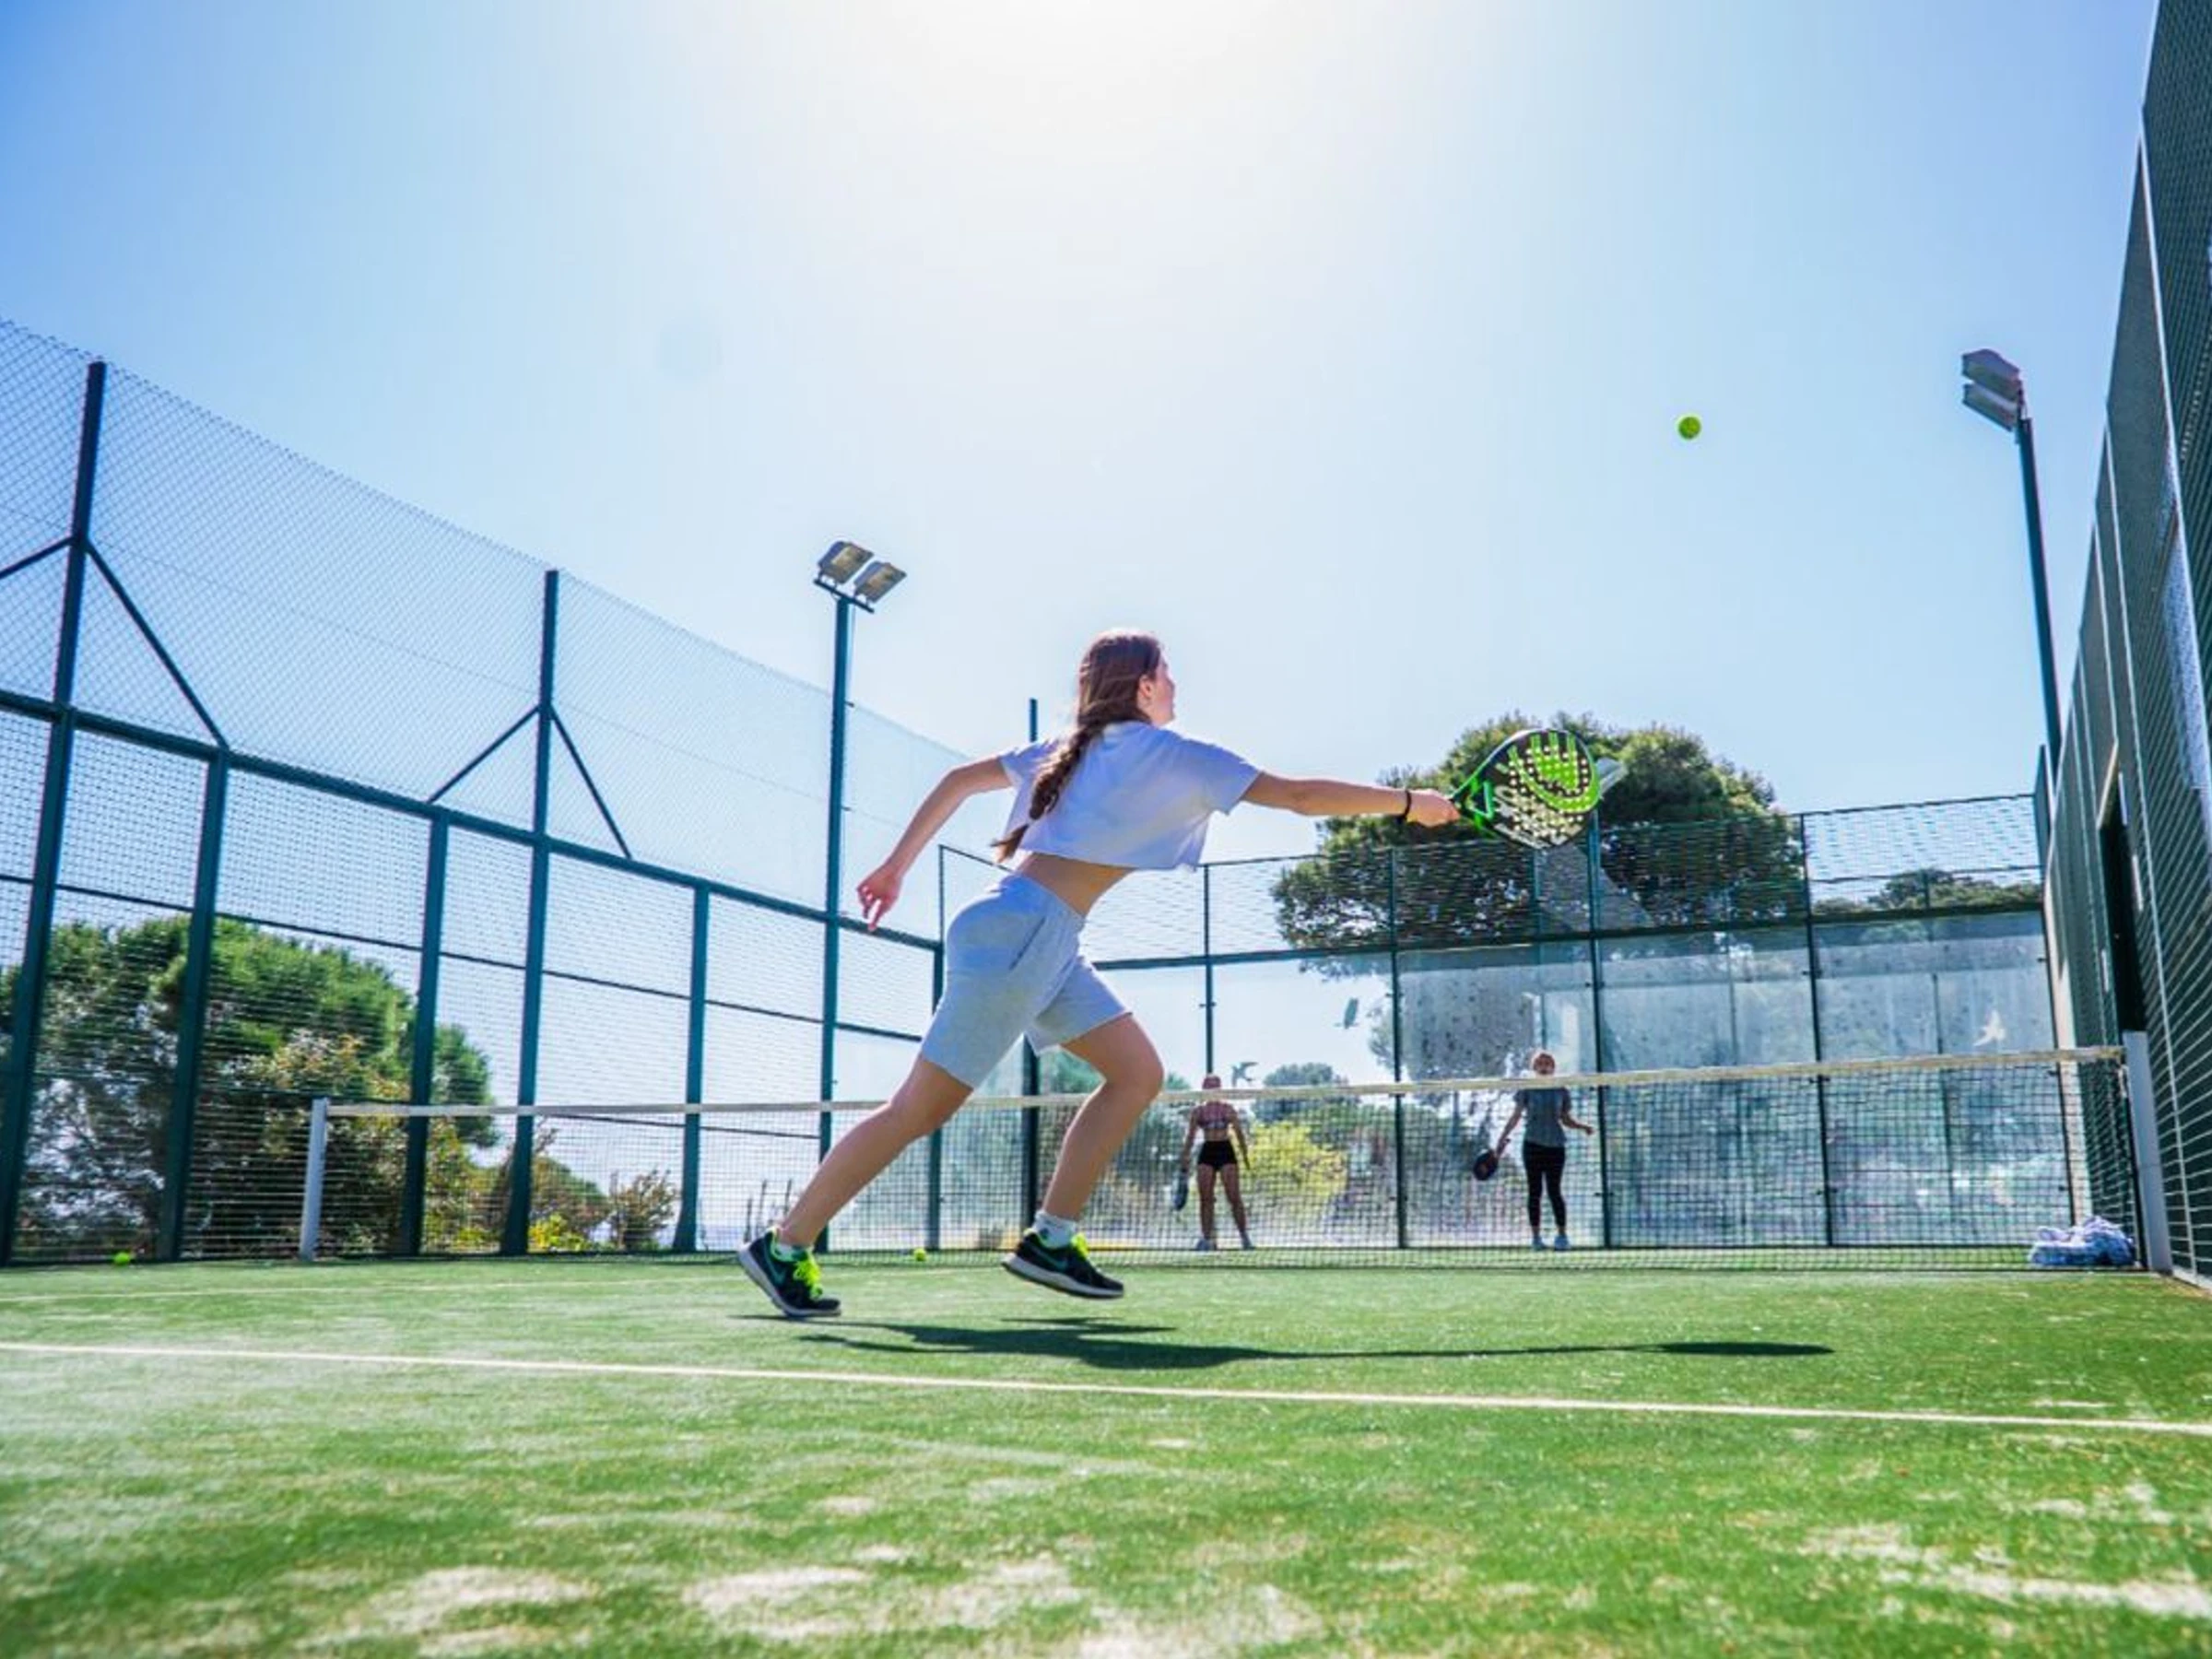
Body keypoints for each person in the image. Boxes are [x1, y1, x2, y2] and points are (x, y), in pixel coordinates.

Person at [739, 629, 1461, 1317]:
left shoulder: (1070, 747)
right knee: (917, 1112)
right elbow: (1299, 797)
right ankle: (785, 1245)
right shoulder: (1170, 752)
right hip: (1025, 932)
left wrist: (896, 868)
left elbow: (957, 780)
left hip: (1035, 932)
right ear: (1144, 686)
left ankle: (1051, 1239)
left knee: (1137, 1073)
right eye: (1167, 673)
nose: (1176, 684)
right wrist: (1409, 803)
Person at [1495, 1049, 1594, 1252]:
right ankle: (1536, 1238)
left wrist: (1582, 1126)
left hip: (1556, 1146)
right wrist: (1502, 1137)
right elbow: (1516, 1116)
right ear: (1534, 1067)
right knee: (1535, 1192)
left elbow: (1565, 1118)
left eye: (1548, 1063)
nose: (1544, 1066)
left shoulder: (1561, 1090)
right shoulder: (1527, 1088)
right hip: (1532, 1145)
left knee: (1554, 1191)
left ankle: (1562, 1236)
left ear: (1553, 1067)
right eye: (1540, 1063)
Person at [1179, 1074, 1253, 1251]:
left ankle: (1245, 1237)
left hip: (1225, 1150)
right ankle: (1206, 1239)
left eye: (1215, 1087)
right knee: (1206, 1198)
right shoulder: (1198, 1111)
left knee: (1234, 1197)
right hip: (1208, 1151)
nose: (1212, 1090)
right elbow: (1190, 1137)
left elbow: (1239, 1133)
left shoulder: (1228, 1109)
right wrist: (1185, 1158)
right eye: (1209, 1087)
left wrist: (1245, 1155)